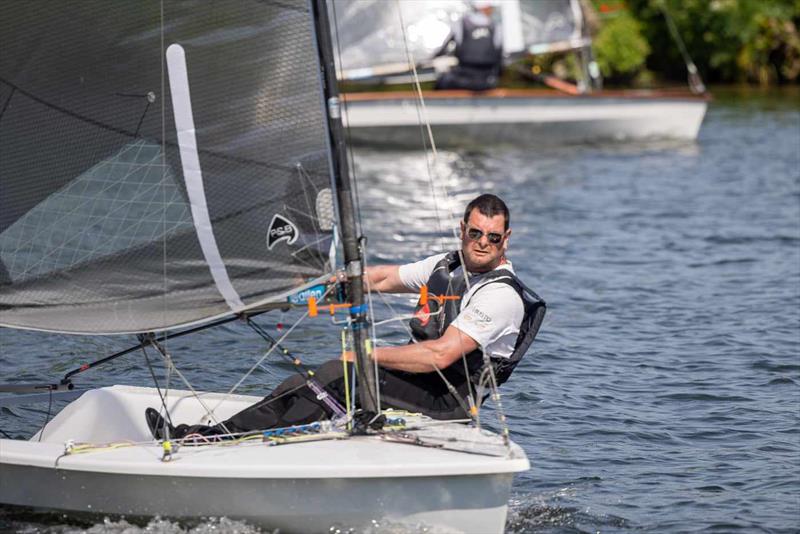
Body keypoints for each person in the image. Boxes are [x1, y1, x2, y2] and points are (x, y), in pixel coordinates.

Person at [146, 194, 545, 440]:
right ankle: (212, 436)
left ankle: (218, 441)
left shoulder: (500, 296)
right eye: (475, 233)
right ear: (463, 229)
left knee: (341, 376)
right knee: (306, 380)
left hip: (447, 401)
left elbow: (440, 355)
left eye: (493, 237)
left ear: (505, 239)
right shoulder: (449, 264)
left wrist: (366, 354)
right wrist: (331, 284)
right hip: (418, 383)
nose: (482, 244)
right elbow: (386, 277)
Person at [433, 1, 503, 91]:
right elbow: (500, 57)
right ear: (485, 8)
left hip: (464, 76)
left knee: (442, 81)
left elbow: (442, 50)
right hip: (487, 80)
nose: (492, 10)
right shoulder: (496, 27)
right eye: (491, 8)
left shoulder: (461, 24)